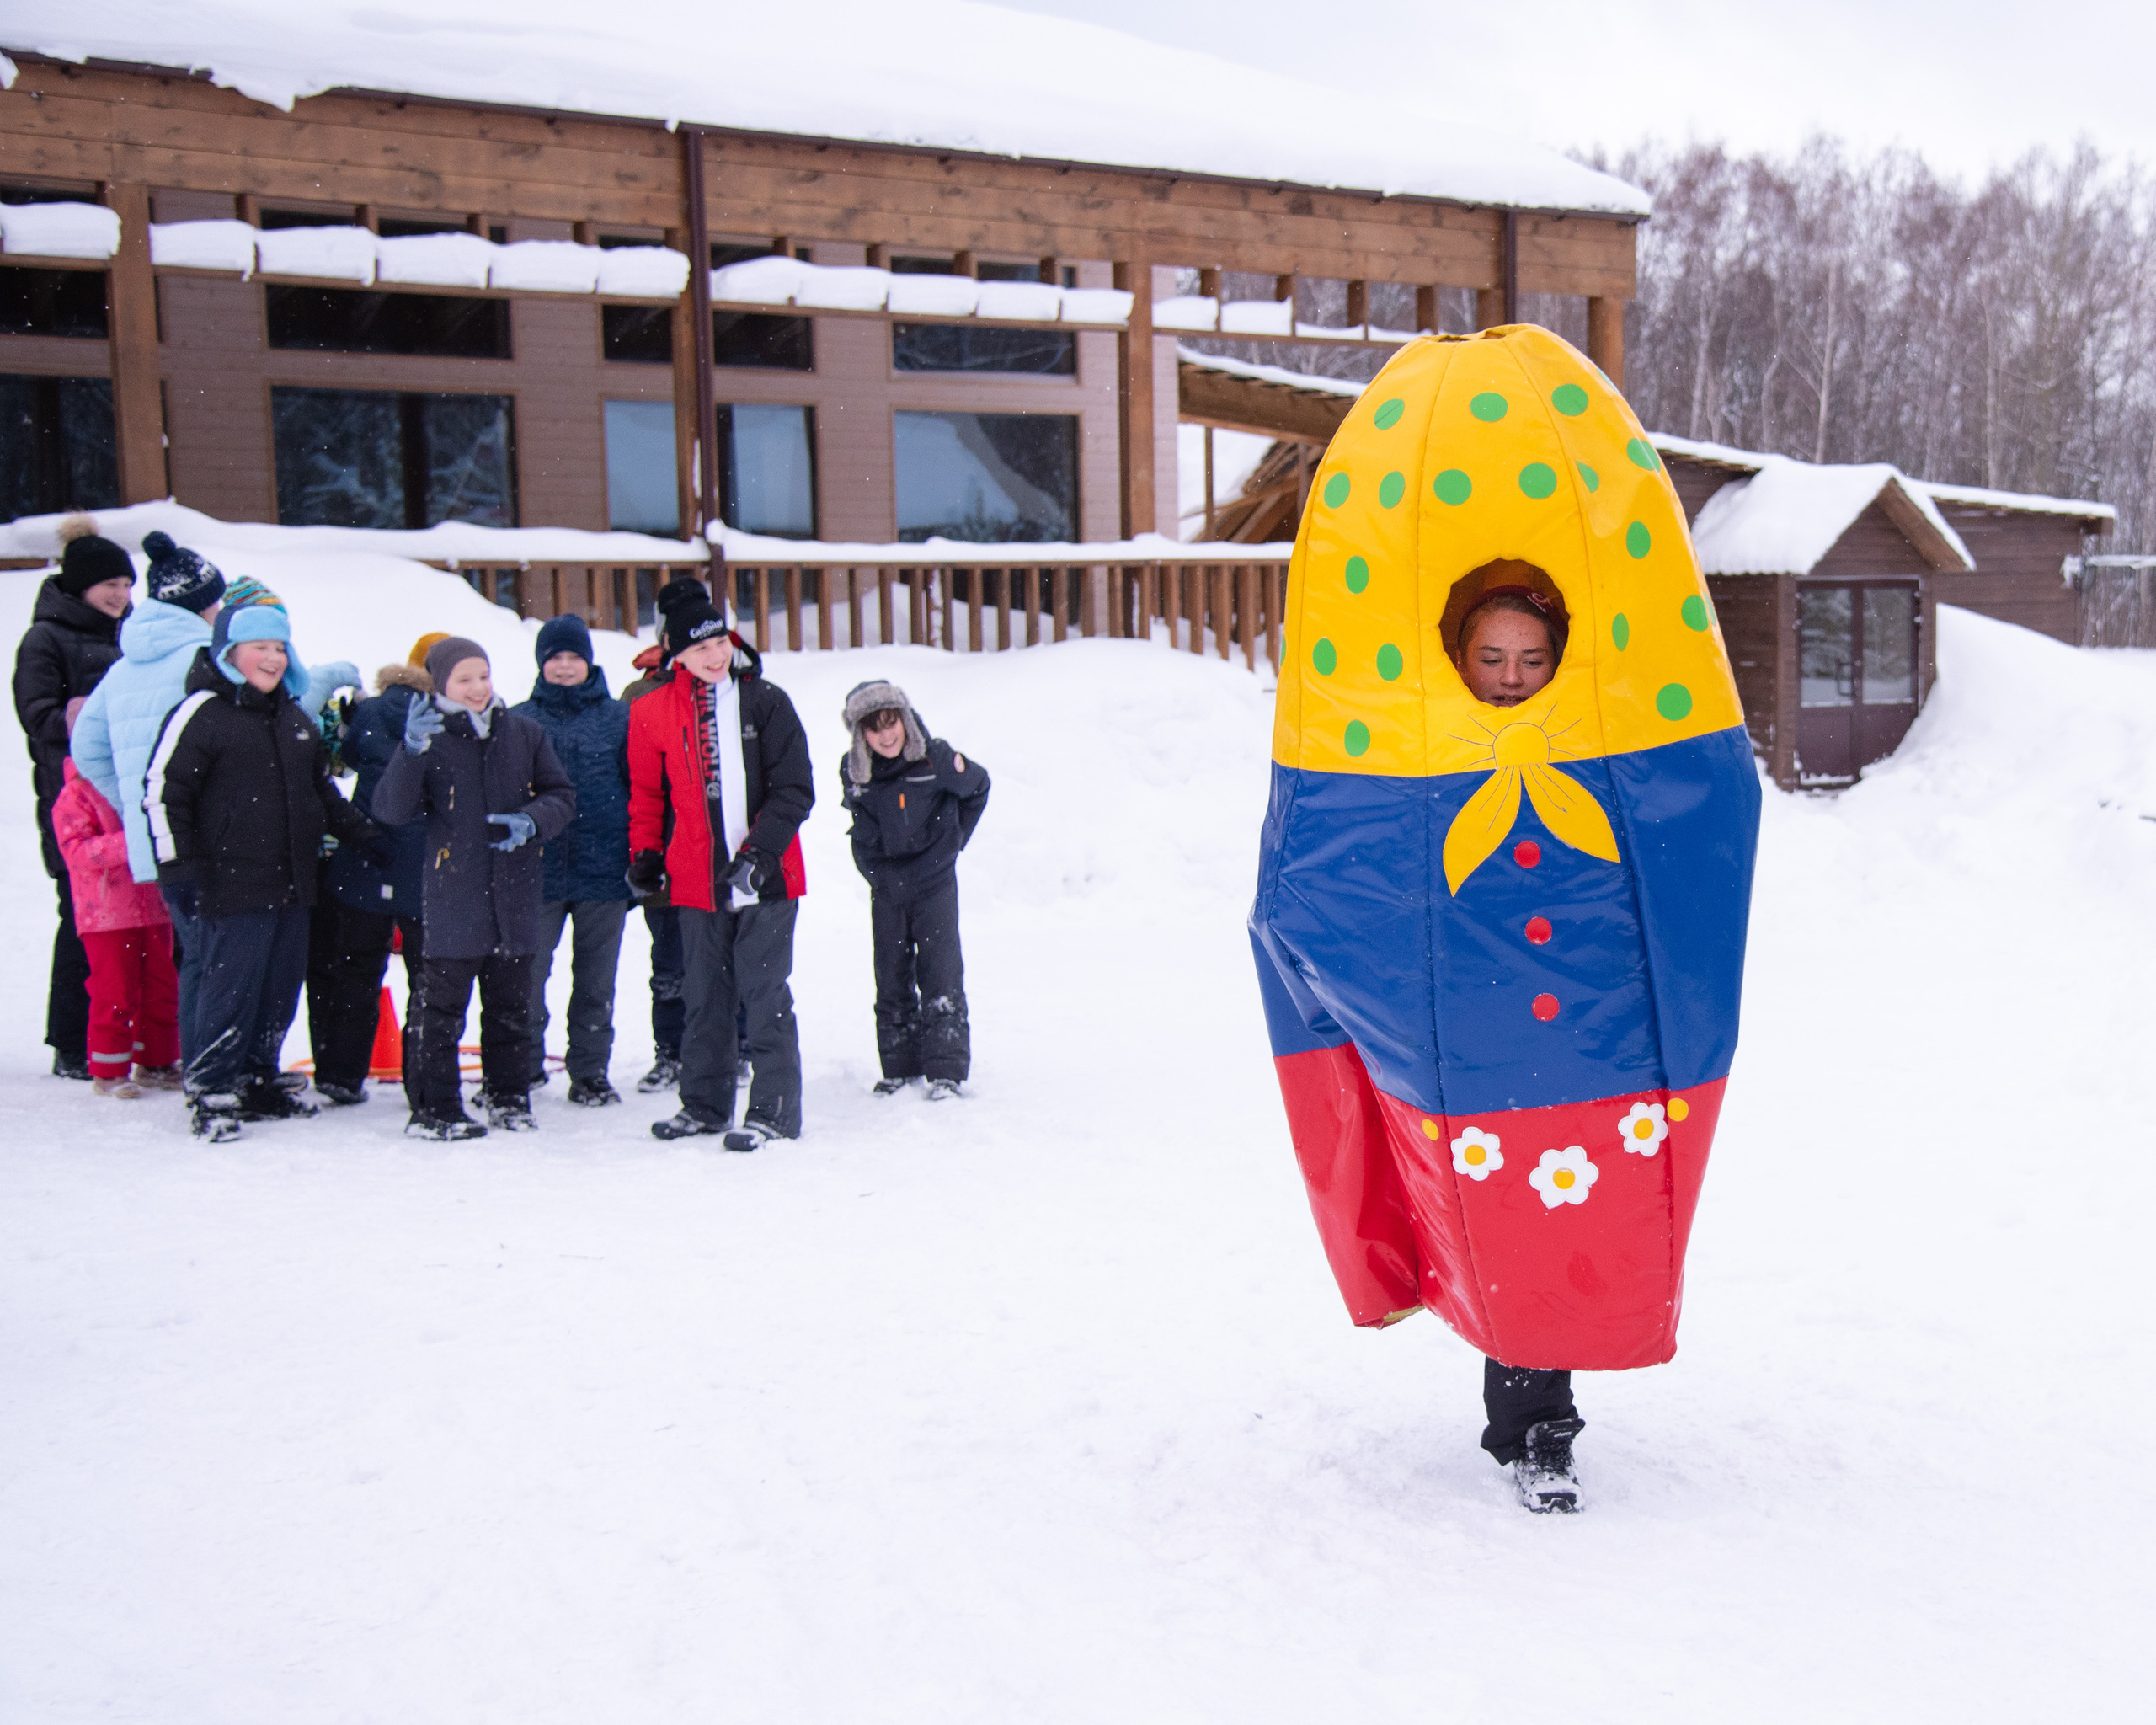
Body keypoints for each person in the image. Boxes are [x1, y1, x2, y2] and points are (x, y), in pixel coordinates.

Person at [146, 599, 380, 1140]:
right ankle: (212, 1088)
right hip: (228, 883)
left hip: (293, 881)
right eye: (260, 647)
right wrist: (176, 867)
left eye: (280, 647)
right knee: (230, 987)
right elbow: (163, 792)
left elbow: (318, 789)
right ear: (229, 652)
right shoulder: (202, 713)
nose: (272, 658)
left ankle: (256, 1076)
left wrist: (363, 835)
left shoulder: (294, 718)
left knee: (278, 988)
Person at [627, 579, 812, 1147]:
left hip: (767, 877)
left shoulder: (765, 700)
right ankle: (705, 1107)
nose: (714, 656)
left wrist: (757, 855)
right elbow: (646, 795)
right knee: (703, 996)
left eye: (720, 643)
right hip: (694, 880)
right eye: (700, 647)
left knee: (763, 993)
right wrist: (646, 854)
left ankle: (774, 1112)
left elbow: (795, 790)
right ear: (676, 654)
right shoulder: (652, 709)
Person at [371, 637, 575, 1140]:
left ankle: (508, 1098)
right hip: (454, 894)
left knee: (511, 1008)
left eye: (483, 676)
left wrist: (531, 821)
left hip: (515, 892)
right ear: (441, 684)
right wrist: (410, 750)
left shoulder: (523, 733)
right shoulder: (429, 739)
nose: (478, 688)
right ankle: (435, 1109)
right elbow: (390, 809)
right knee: (441, 1012)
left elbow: (562, 794)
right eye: (464, 680)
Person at [69, 530, 227, 1071]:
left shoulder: (123, 667)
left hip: (160, 842)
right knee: (223, 958)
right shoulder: (210, 658)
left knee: (192, 957)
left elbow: (85, 747)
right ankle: (213, 1069)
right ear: (202, 604)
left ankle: (191, 1064)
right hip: (215, 834)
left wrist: (141, 804)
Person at [13, 516, 132, 1080]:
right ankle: (72, 1039)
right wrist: (83, 715)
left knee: (143, 919)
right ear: (81, 584)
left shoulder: (131, 634)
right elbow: (36, 714)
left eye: (128, 585)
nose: (120, 594)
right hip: (73, 801)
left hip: (128, 796)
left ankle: (131, 1032)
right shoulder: (45, 638)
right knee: (84, 916)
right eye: (110, 584)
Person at [836, 680, 990, 1100]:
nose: (886, 735)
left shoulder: (935, 757)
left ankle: (946, 1071)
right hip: (886, 888)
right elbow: (861, 825)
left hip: (934, 886)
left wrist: (953, 842)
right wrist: (873, 869)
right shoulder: (854, 773)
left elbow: (978, 787)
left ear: (905, 720)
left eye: (892, 723)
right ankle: (899, 1066)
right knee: (891, 975)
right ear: (860, 735)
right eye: (874, 728)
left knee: (941, 973)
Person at [304, 642, 435, 1105]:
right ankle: (424, 1076)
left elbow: (346, 760)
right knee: (427, 977)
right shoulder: (442, 715)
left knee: (354, 970)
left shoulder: (369, 712)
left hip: (365, 854)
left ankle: (341, 1071)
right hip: (425, 861)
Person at [512, 614, 632, 1106]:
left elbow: (641, 788)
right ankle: (521, 1065)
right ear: (542, 664)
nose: (564, 667)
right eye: (555, 658)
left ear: (589, 662)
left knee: (596, 981)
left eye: (573, 657)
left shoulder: (618, 718)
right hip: (535, 873)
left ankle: (589, 1072)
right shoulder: (519, 719)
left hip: (604, 870)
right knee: (526, 976)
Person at [52, 701, 180, 1097]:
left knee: (162, 986)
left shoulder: (140, 785)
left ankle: (157, 1061)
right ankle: (108, 1070)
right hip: (106, 914)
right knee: (115, 990)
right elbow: (77, 852)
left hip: (153, 906)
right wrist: (133, 844)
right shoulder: (76, 795)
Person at [622, 638, 685, 1092]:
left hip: (716, 849)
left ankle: (736, 1047)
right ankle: (672, 1052)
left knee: (725, 957)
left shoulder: (730, 689)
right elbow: (630, 777)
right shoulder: (639, 695)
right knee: (667, 959)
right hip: (658, 844)